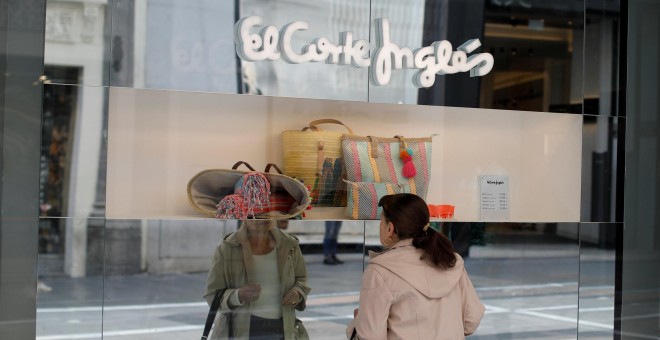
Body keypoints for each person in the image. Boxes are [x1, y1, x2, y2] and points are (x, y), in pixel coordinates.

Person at [346, 193, 485, 339]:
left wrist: (357, 323)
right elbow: (472, 320)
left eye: (381, 221)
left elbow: (370, 337)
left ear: (390, 228)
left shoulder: (379, 272)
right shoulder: (451, 260)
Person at [204, 219, 311, 339]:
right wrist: (238, 295)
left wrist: (297, 292)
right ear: (244, 215)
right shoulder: (227, 248)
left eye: (267, 212)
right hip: (242, 330)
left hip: (283, 329)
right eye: (256, 214)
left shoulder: (289, 244)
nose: (263, 218)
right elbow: (212, 295)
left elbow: (301, 278)